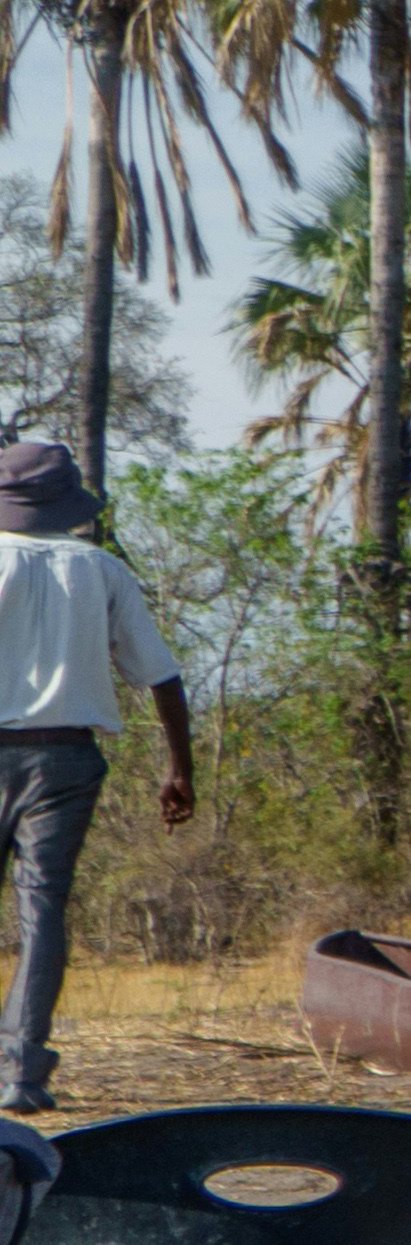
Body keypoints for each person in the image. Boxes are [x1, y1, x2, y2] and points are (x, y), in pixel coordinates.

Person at [0, 441, 189, 1114]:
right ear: (69, 504)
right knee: (41, 906)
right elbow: (161, 674)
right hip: (65, 758)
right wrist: (178, 769)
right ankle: (22, 1073)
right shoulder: (101, 569)